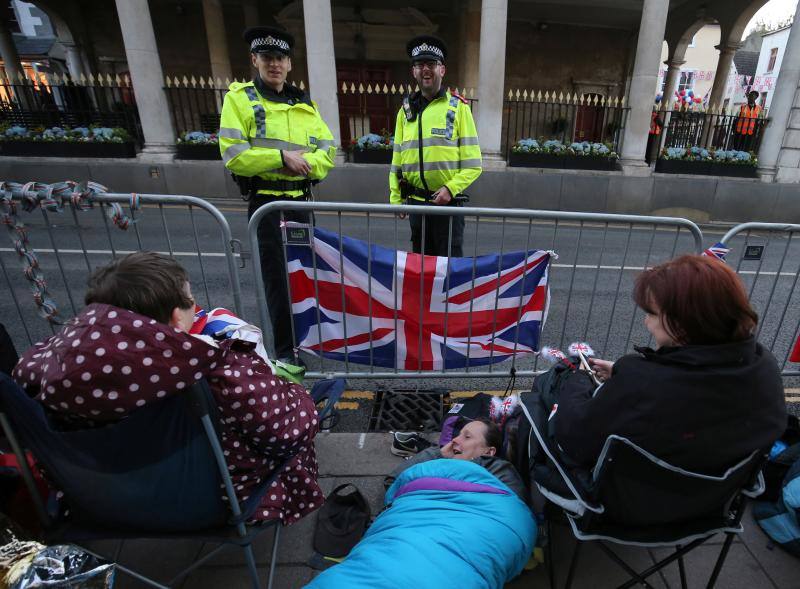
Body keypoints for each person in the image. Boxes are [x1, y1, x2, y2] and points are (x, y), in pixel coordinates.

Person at [12, 252, 322, 525]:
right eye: (189, 298)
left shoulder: (48, 371)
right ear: (177, 318)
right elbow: (287, 432)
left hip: (99, 501)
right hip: (213, 502)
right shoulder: (219, 370)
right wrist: (298, 396)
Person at [551, 254, 786, 475]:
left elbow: (575, 438)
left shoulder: (645, 385)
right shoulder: (763, 365)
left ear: (683, 322)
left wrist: (579, 379)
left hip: (637, 495)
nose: (646, 322)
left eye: (651, 313)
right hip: (719, 492)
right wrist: (627, 375)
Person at [219, 26, 336, 363]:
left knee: (304, 276)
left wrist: (305, 166)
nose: (274, 64)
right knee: (278, 282)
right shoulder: (240, 100)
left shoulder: (305, 104)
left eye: (280, 58)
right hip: (267, 206)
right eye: (267, 57)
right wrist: (281, 158)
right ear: (254, 60)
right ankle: (286, 354)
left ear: (289, 64)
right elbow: (234, 155)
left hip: (299, 203)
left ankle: (306, 345)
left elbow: (328, 152)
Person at [307, 417, 536, 589]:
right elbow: (395, 482)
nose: (455, 440)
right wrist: (438, 454)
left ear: (489, 451)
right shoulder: (436, 466)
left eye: (467, 437)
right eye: (457, 435)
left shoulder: (499, 471)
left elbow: (514, 514)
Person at [389, 35, 482, 257]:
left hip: (447, 208)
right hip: (416, 206)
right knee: (422, 269)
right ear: (413, 71)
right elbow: (397, 161)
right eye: (419, 65)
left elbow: (473, 165)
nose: (425, 70)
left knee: (449, 270)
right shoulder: (405, 112)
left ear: (442, 70)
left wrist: (450, 189)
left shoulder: (458, 108)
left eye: (431, 64)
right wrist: (395, 198)